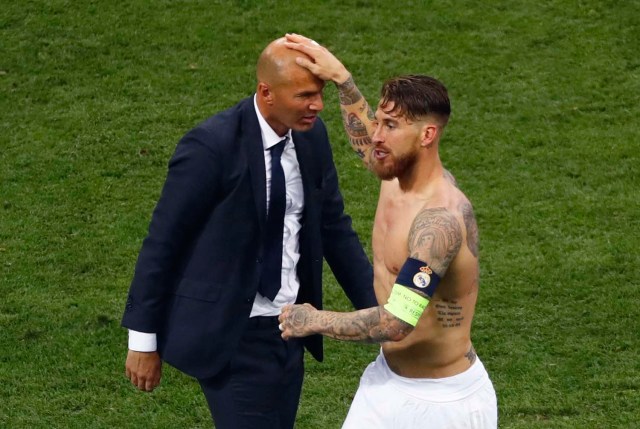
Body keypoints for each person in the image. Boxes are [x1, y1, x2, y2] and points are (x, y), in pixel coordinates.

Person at [121, 37, 377, 429]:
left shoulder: (312, 138)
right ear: (266, 93)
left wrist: (381, 315)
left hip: (291, 327)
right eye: (305, 95)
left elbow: (334, 229)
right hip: (232, 332)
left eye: (320, 94)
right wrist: (142, 340)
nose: (318, 106)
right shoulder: (211, 145)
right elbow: (164, 240)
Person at [278, 34, 498, 428]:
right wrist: (342, 79)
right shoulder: (394, 171)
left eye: (391, 125)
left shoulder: (439, 221)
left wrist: (311, 320)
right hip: (387, 379)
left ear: (427, 135)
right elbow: (363, 137)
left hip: (443, 403)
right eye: (379, 121)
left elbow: (396, 323)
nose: (377, 136)